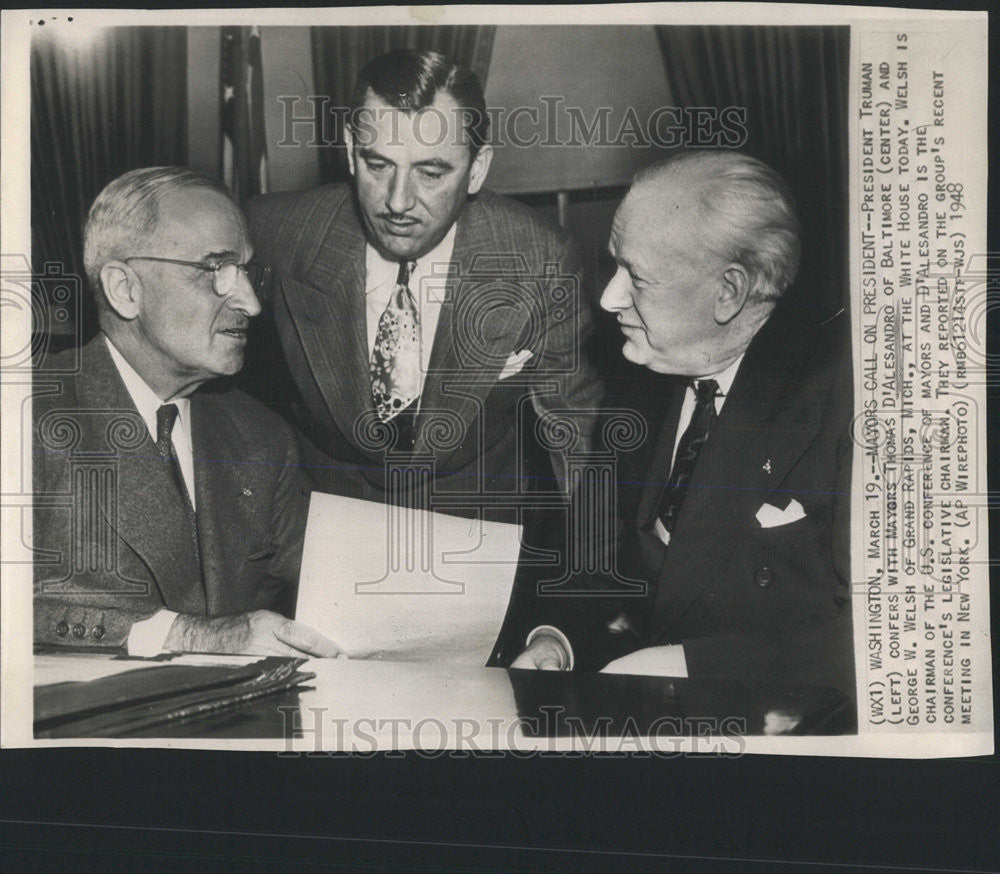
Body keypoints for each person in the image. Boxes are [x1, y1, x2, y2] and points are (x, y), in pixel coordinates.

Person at [512, 151, 855, 699]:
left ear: (729, 292)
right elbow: (597, 565)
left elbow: (874, 639)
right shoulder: (644, 375)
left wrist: (689, 666)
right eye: (615, 264)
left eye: (638, 278)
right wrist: (559, 640)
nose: (608, 298)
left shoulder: (852, 397)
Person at [245, 49, 602, 520]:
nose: (397, 201)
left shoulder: (540, 259)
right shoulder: (275, 233)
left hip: (475, 536)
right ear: (351, 151)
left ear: (477, 169)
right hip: (320, 534)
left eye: (431, 173)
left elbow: (576, 437)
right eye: (378, 165)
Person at [33, 167, 340, 658]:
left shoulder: (261, 437)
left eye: (245, 272)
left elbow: (332, 591)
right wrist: (189, 636)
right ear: (125, 289)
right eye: (215, 270)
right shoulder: (25, 413)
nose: (251, 303)